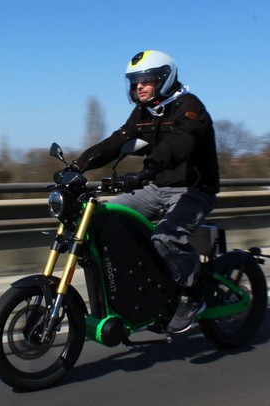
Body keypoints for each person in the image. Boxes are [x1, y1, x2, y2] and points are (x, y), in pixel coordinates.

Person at [70, 50, 220, 333]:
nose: (138, 86)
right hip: (156, 187)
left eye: (146, 80)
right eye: (135, 81)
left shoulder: (190, 107)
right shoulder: (143, 112)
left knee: (165, 238)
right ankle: (145, 290)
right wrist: (78, 166)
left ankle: (192, 292)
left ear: (164, 79)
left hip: (193, 189)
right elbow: (118, 141)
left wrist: (147, 171)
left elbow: (178, 144)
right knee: (105, 218)